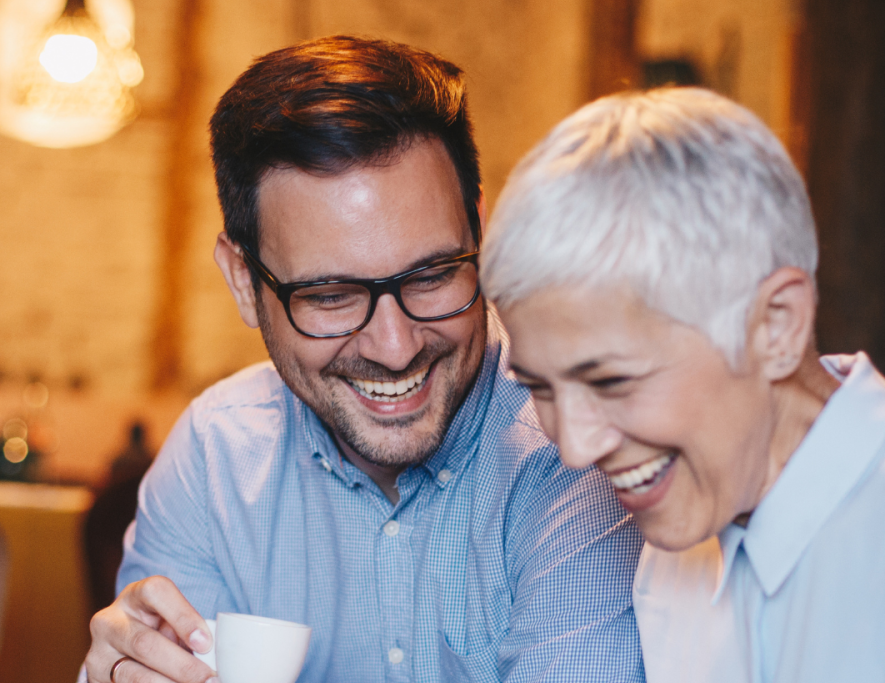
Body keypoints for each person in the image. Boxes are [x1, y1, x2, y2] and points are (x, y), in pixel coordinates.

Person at [82, 36, 644, 683]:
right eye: (331, 295)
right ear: (243, 281)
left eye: (432, 275)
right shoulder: (215, 457)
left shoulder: (573, 448)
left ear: (480, 233)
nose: (396, 345)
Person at [480, 87, 885, 682]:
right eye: (541, 389)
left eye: (612, 381)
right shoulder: (669, 560)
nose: (574, 447)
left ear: (776, 325)